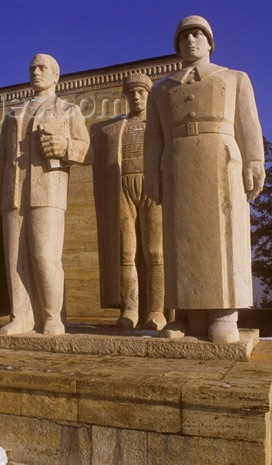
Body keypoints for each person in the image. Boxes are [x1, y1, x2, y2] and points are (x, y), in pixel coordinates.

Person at [143, 15, 266, 343]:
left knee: (222, 235)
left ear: (210, 42)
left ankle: (224, 313)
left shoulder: (235, 78)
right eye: (183, 37)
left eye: (198, 35)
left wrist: (254, 160)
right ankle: (187, 315)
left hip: (220, 160)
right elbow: (152, 137)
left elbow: (249, 123)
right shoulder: (161, 90)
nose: (190, 41)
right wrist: (151, 172)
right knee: (180, 236)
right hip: (176, 163)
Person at [0, 54, 90, 336]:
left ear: (56, 76)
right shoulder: (13, 115)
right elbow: (1, 158)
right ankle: (20, 316)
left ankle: (51, 315)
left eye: (42, 67)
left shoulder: (68, 110)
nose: (36, 72)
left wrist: (65, 146)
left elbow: (88, 150)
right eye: (32, 67)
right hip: (14, 192)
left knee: (45, 256)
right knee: (15, 259)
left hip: (47, 191)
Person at [90, 73, 166, 330]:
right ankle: (130, 309)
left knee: (155, 252)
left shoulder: (159, 126)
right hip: (122, 187)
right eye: (131, 93)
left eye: (141, 92)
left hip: (153, 187)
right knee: (126, 252)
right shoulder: (114, 128)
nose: (136, 97)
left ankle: (157, 311)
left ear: (149, 94)